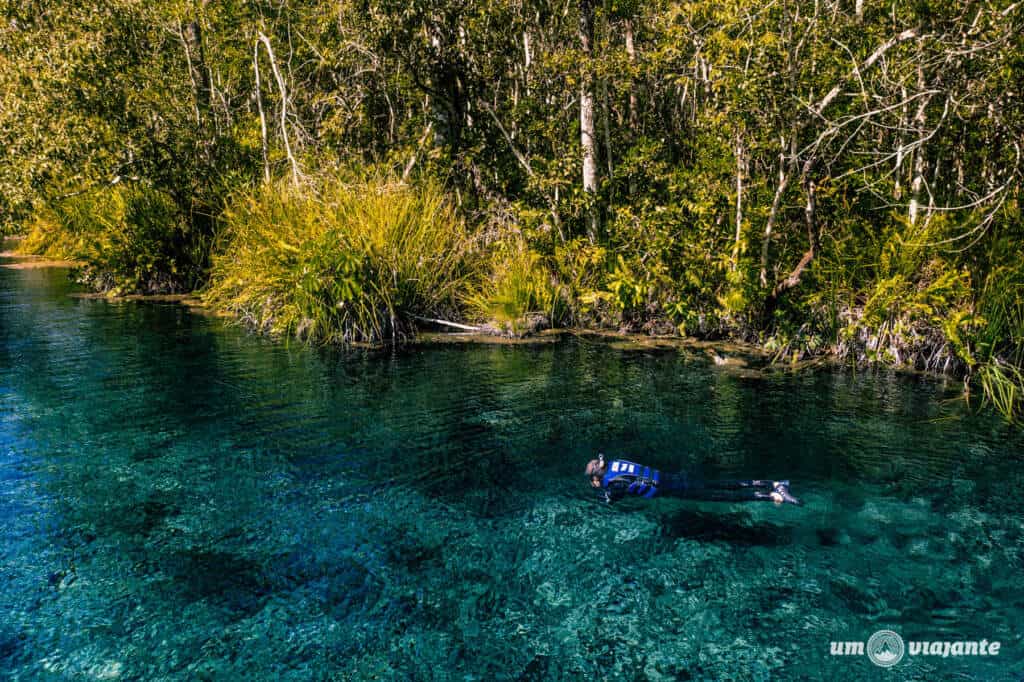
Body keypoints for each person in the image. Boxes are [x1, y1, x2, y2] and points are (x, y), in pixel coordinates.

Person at [585, 453, 802, 505]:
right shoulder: (615, 463)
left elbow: (613, 498)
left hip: (672, 489)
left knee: (719, 496)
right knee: (720, 485)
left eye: (593, 479)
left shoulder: (613, 483)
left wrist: (601, 493)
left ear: (597, 476)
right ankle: (773, 483)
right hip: (671, 478)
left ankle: (772, 495)